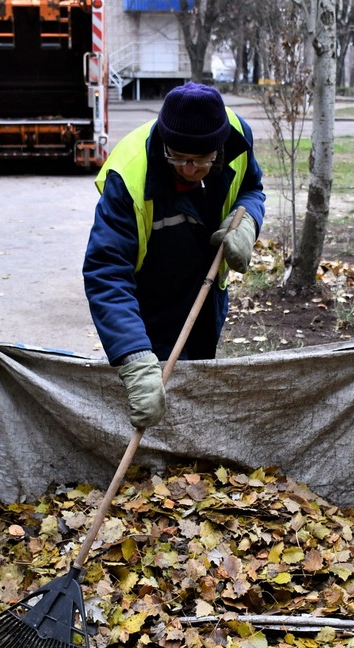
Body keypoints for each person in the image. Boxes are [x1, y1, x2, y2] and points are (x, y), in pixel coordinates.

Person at [82, 82, 266, 429]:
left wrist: (246, 223)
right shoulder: (129, 174)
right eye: (178, 158)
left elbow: (251, 189)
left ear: (219, 146)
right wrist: (134, 358)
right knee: (152, 397)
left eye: (201, 161)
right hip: (148, 302)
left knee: (195, 393)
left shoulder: (238, 136)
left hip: (205, 295)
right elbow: (106, 271)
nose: (189, 169)